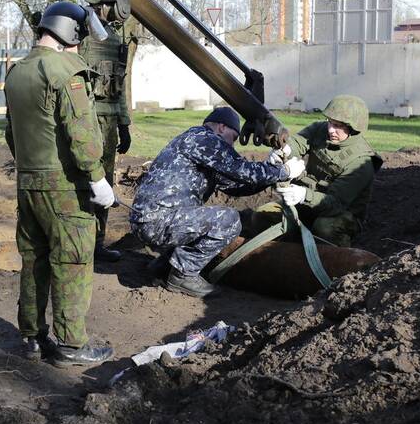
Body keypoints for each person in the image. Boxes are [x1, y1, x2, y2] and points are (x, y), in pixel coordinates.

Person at [4, 0, 115, 367]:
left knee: (34, 259)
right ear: (69, 32)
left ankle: (31, 337)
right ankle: (70, 344)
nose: (80, 45)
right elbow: (82, 135)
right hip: (64, 187)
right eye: (79, 37)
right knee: (73, 261)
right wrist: (97, 178)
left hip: (28, 181)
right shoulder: (65, 72)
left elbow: (11, 134)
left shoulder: (18, 71)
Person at [129, 107, 304, 297]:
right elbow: (240, 169)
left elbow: (238, 186)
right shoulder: (204, 139)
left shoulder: (198, 145)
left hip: (150, 221)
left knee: (199, 218)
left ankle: (162, 267)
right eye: (233, 138)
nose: (233, 145)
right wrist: (284, 172)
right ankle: (183, 274)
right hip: (158, 222)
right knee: (229, 220)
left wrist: (272, 169)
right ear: (221, 127)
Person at [250, 95, 382, 247]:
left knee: (324, 228)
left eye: (338, 125)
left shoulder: (362, 162)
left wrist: (303, 195)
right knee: (262, 216)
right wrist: (284, 151)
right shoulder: (319, 130)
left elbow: (336, 203)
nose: (331, 130)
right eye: (330, 122)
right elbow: (298, 143)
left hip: (340, 213)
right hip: (308, 202)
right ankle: (289, 254)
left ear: (353, 128)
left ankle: (335, 264)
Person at [82, 0, 132, 263]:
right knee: (83, 181)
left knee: (105, 183)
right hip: (85, 121)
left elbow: (119, 86)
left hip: (109, 123)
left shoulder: (113, 39)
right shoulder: (79, 35)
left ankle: (97, 244)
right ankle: (80, 243)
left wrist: (123, 124)